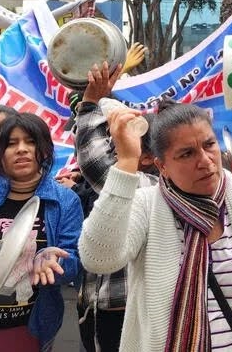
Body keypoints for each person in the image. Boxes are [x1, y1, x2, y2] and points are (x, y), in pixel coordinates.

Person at [79, 88, 232, 351]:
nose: (205, 161)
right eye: (186, 154)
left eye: (209, 145)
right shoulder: (147, 205)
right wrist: (126, 162)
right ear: (162, 166)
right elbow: (99, 257)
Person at [0, 113, 83, 351]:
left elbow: (75, 261)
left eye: (31, 141)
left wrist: (54, 260)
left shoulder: (65, 201)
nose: (21, 149)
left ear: (45, 149)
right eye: (11, 143)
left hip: (28, 329)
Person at [73, 61, 158, 352]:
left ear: (148, 157)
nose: (113, 145)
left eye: (122, 140)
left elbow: (94, 161)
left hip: (122, 311)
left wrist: (90, 103)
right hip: (99, 308)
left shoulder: (145, 186)